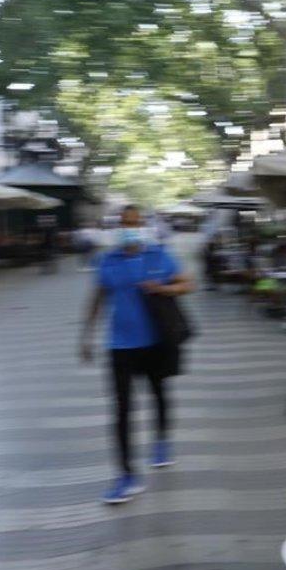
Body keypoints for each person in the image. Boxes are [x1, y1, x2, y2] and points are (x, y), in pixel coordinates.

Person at [80, 205, 193, 504]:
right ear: (117, 226)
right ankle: (127, 476)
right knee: (121, 411)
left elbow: (187, 284)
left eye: (135, 223)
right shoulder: (107, 259)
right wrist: (86, 336)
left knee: (158, 393)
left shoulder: (158, 255)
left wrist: (164, 289)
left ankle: (161, 441)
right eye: (125, 223)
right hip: (119, 346)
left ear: (144, 226)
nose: (130, 227)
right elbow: (98, 297)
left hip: (155, 342)